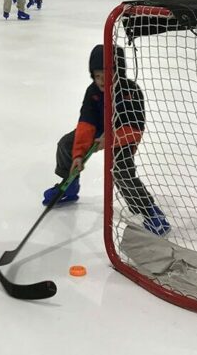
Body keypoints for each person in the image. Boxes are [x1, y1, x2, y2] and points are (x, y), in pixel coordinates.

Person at [41, 45, 170, 236]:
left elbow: (135, 129)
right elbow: (86, 122)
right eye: (97, 76)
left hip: (123, 134)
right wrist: (78, 155)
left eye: (107, 75)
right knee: (66, 144)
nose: (101, 81)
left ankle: (150, 212)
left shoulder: (131, 91)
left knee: (120, 168)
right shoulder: (92, 91)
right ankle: (70, 185)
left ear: (119, 72)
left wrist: (110, 139)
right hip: (100, 130)